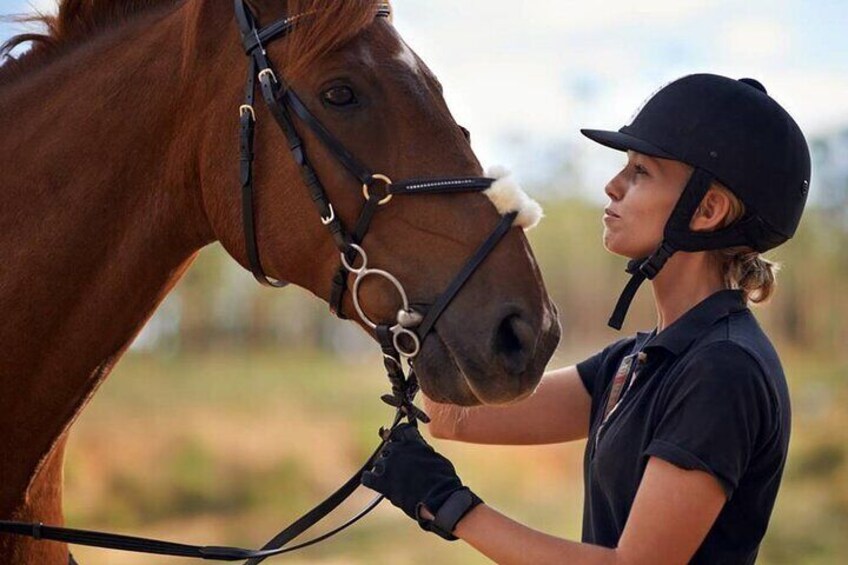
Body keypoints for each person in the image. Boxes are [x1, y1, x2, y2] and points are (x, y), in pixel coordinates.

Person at [361, 73, 812, 564]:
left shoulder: (722, 369)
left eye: (641, 172)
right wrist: (423, 281)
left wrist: (454, 508)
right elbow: (453, 419)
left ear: (707, 210)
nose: (612, 185)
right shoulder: (638, 362)